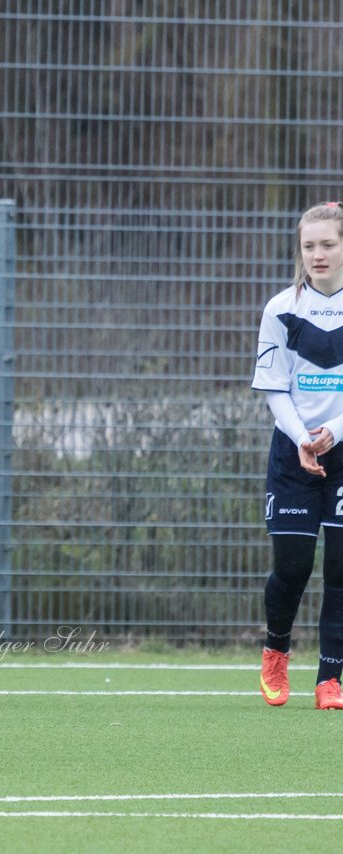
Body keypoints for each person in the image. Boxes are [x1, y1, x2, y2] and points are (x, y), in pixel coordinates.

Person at [252, 201, 343, 710]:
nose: (318, 254)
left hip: (342, 451)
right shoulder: (281, 308)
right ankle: (276, 652)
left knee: (342, 567)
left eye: (328, 243)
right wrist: (304, 438)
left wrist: (332, 429)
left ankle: (331, 678)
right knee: (292, 566)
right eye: (309, 245)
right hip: (294, 454)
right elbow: (273, 388)